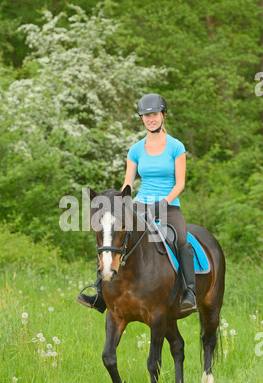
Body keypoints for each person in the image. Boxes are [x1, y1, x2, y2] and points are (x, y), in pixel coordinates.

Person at [77, 93, 197, 313]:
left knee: (180, 240)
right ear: (142, 119)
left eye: (154, 114)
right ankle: (100, 293)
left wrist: (163, 203)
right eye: (146, 115)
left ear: (163, 116)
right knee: (111, 236)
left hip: (169, 206)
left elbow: (180, 183)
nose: (151, 119)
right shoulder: (135, 149)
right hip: (139, 205)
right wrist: (121, 204)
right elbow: (127, 184)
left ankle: (189, 292)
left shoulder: (176, 146)